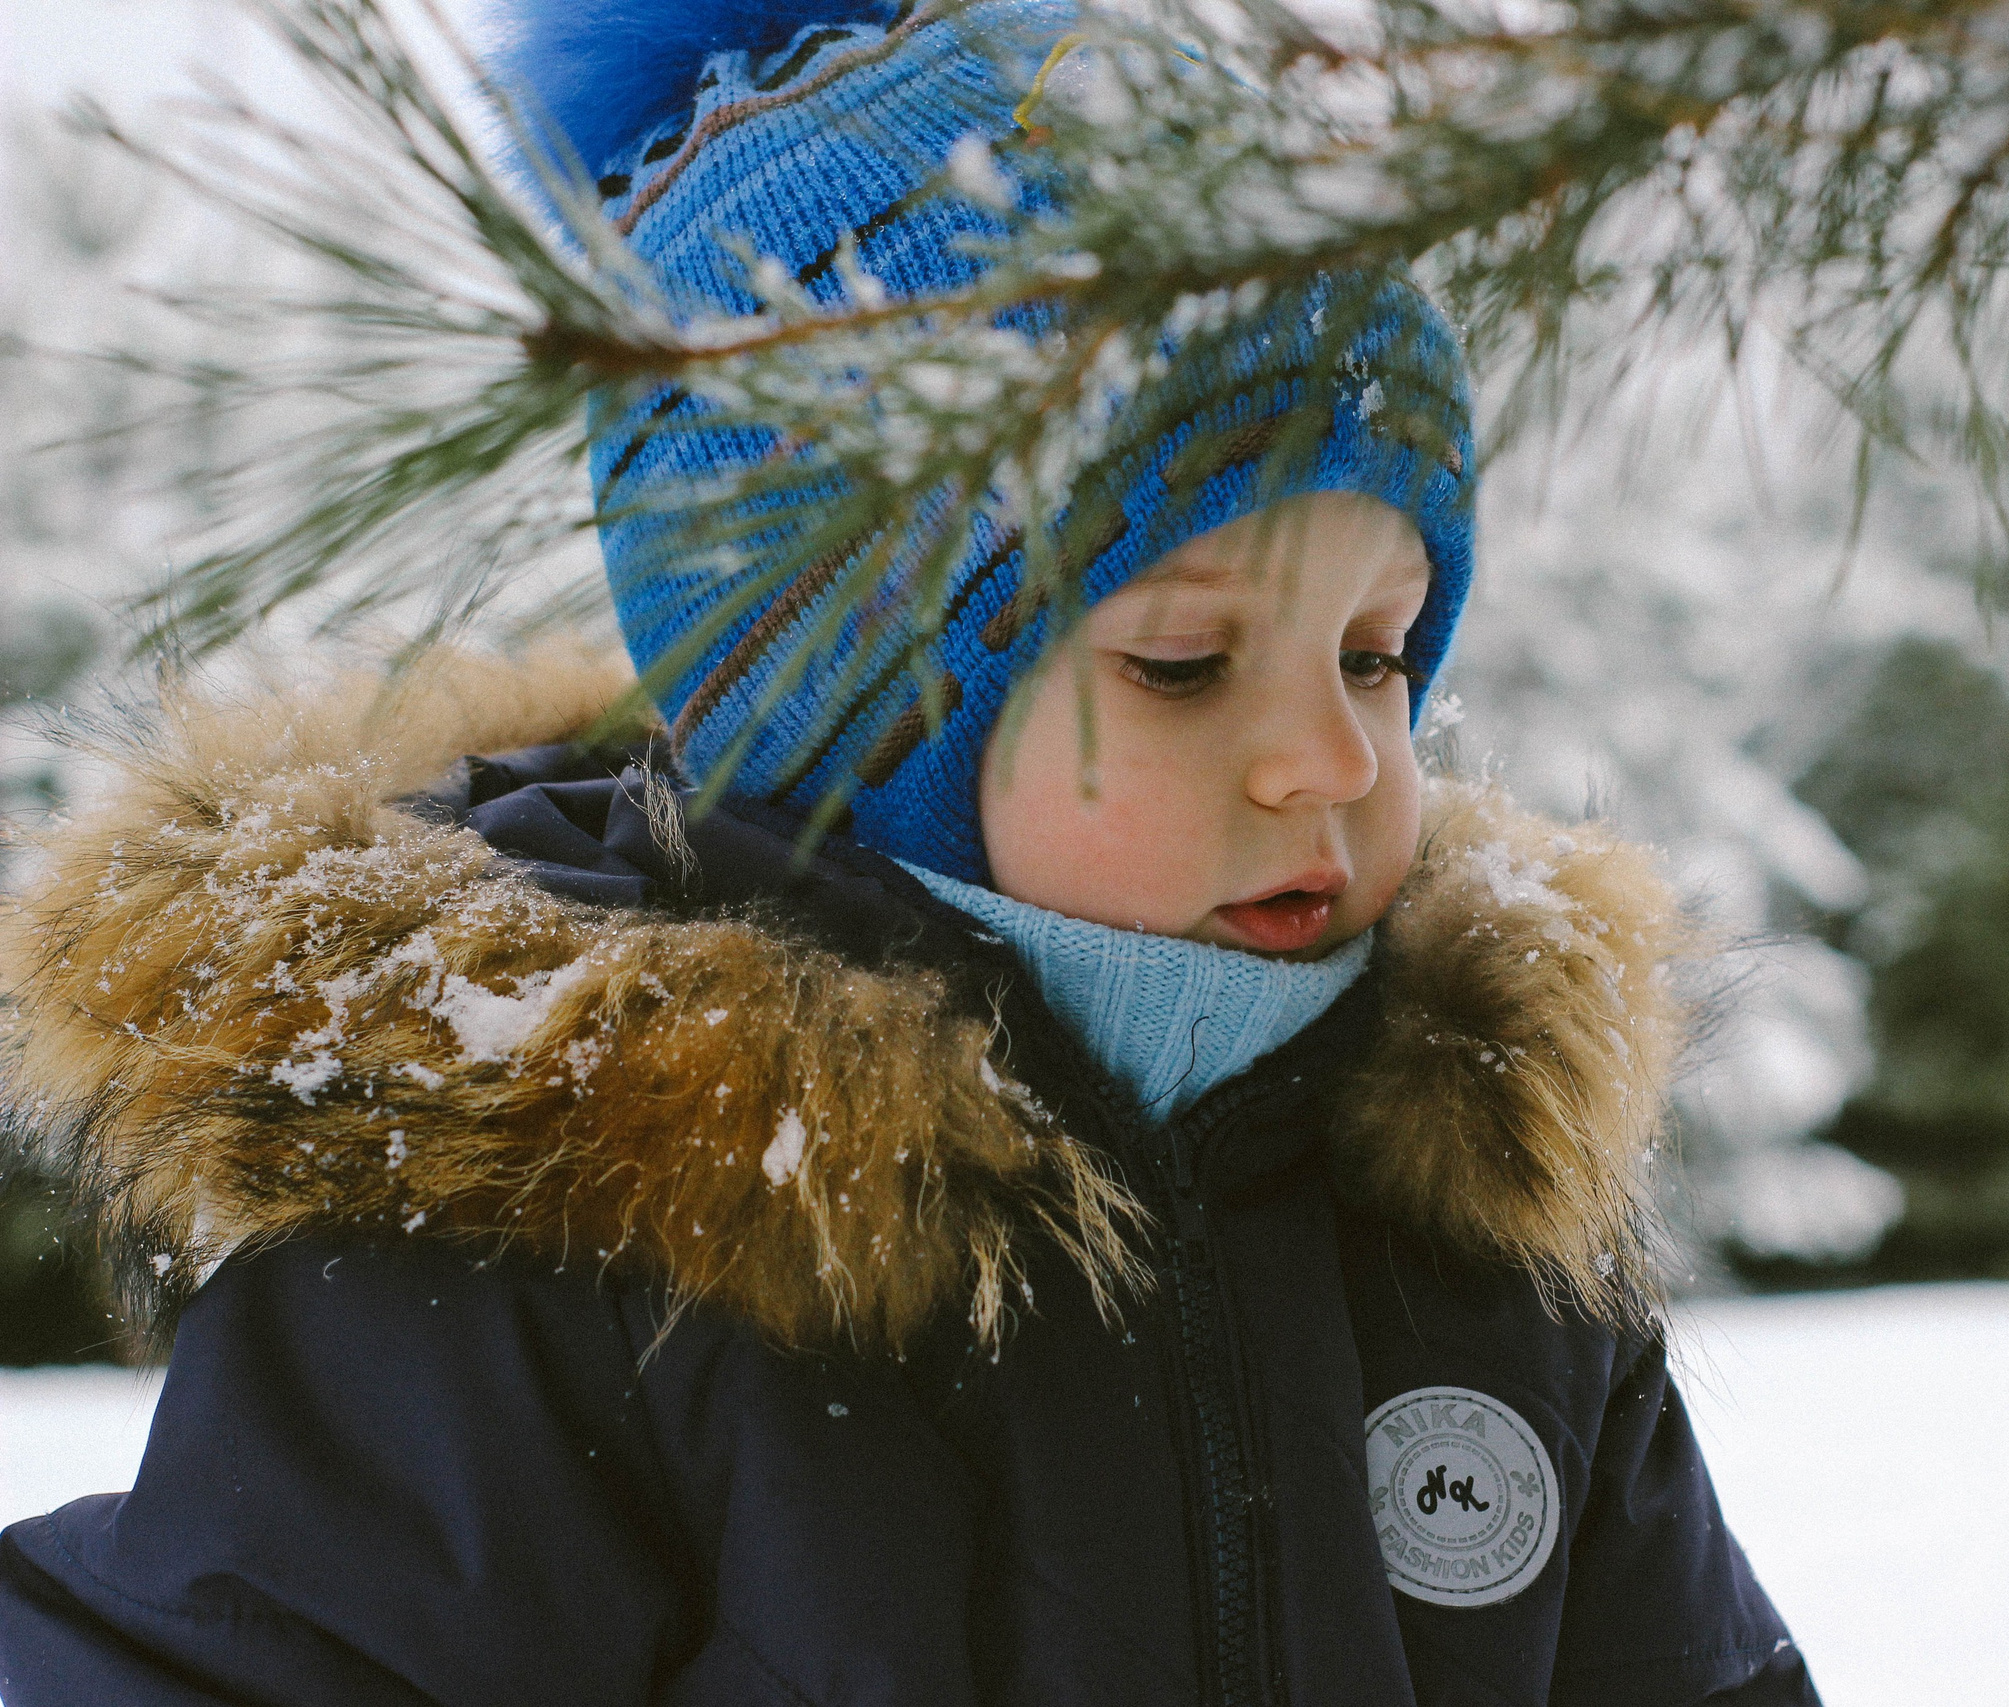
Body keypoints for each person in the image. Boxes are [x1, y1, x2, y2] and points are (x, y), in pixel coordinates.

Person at [0, 4, 1817, 1702]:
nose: (1334, 758)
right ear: (841, 700)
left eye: (1381, 650)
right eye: (1183, 665)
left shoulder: (1461, 1215)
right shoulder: (547, 1241)